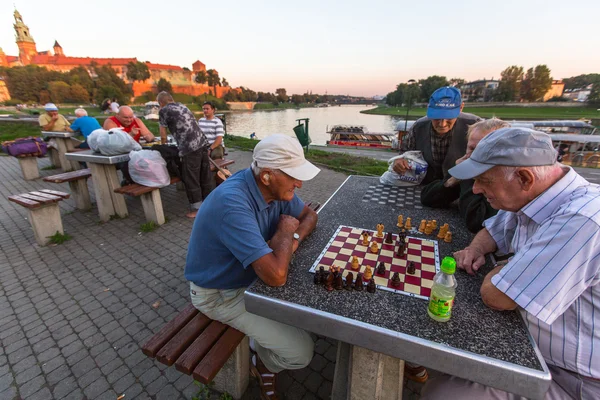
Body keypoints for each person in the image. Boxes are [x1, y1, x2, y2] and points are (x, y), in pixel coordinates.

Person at [420, 127, 600, 399]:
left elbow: (496, 296)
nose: (477, 189)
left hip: (575, 380)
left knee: (444, 394)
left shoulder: (581, 220)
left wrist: (510, 267)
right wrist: (475, 248)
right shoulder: (534, 195)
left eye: (484, 181)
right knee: (440, 364)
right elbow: (492, 231)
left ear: (524, 177)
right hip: (531, 350)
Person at [185, 134, 320, 400]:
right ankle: (263, 364)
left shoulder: (273, 188)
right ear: (267, 175)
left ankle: (260, 342)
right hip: (220, 294)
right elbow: (277, 276)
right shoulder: (232, 204)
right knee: (301, 353)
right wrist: (284, 229)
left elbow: (309, 215)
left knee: (312, 318)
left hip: (250, 280)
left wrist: (290, 240)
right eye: (293, 176)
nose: (300, 183)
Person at [420, 118, 509, 233]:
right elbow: (427, 198)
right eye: (472, 148)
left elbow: (476, 222)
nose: (474, 155)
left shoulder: (506, 179)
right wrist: (452, 179)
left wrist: (467, 173)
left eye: (482, 150)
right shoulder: (470, 164)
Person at [393, 86, 481, 185]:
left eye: (449, 117)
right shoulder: (418, 126)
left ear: (461, 107)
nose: (442, 124)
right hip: (426, 186)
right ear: (429, 108)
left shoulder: (476, 125)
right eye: (436, 117)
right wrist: (400, 161)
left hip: (462, 187)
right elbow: (404, 152)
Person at [157, 91, 214, 218]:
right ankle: (210, 203)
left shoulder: (163, 110)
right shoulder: (183, 106)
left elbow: (162, 132)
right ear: (171, 99)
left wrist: (163, 145)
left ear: (160, 103)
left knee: (191, 177)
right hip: (202, 142)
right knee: (204, 175)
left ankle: (198, 210)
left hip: (189, 147)